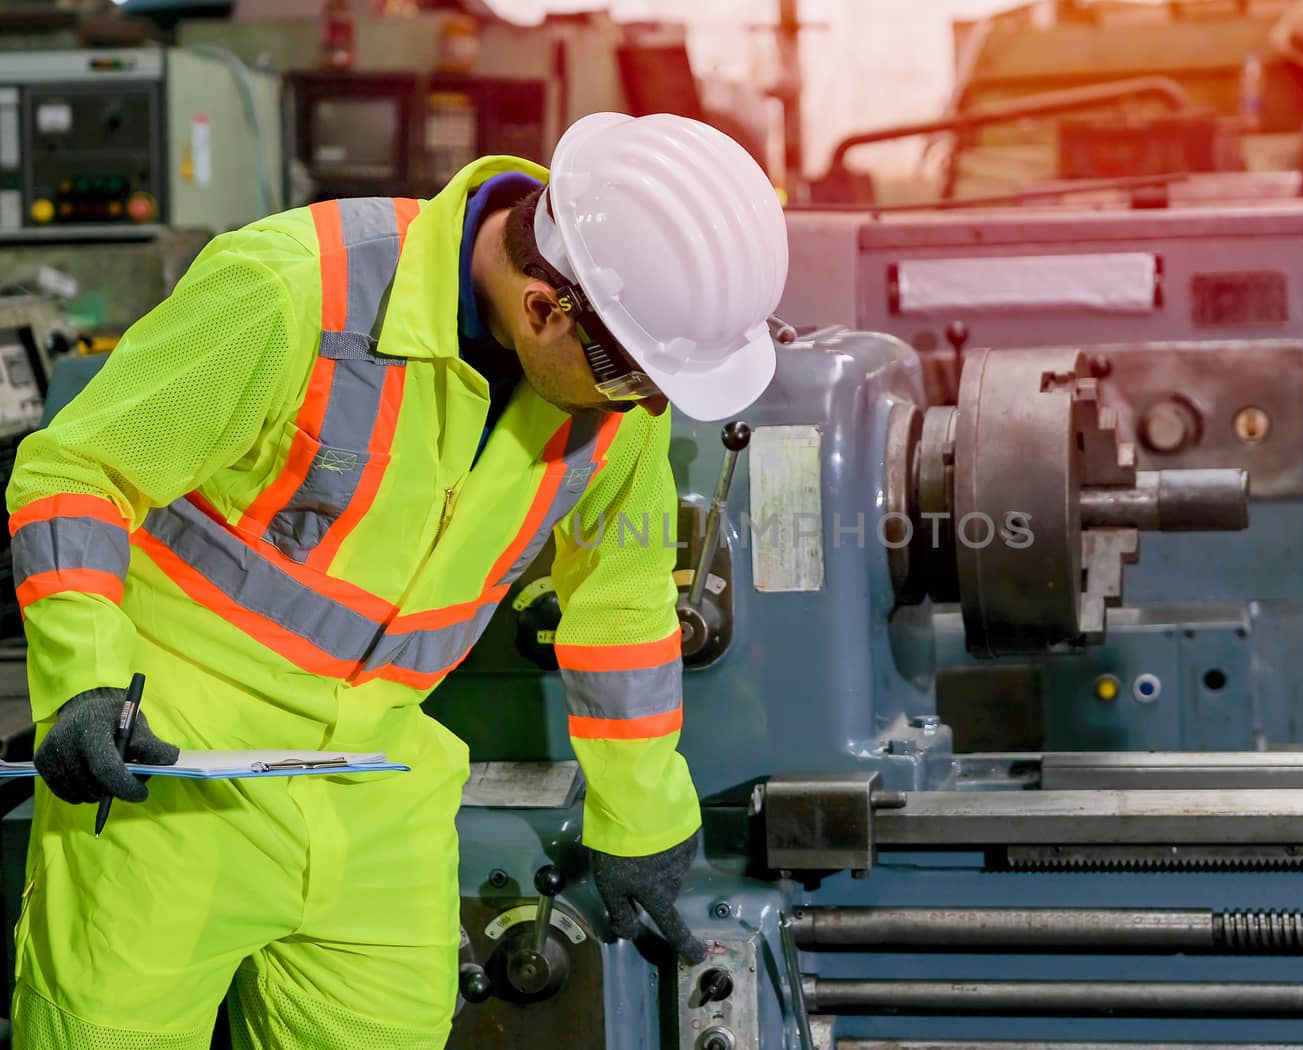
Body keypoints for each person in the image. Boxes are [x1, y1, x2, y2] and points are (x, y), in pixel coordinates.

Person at [5, 111, 789, 1048]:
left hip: (378, 783)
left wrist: (643, 815)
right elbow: (77, 472)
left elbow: (619, 606)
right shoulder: (292, 289)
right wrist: (83, 680)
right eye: (637, 374)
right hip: (168, 777)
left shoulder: (616, 400)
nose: (651, 404)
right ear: (547, 306)